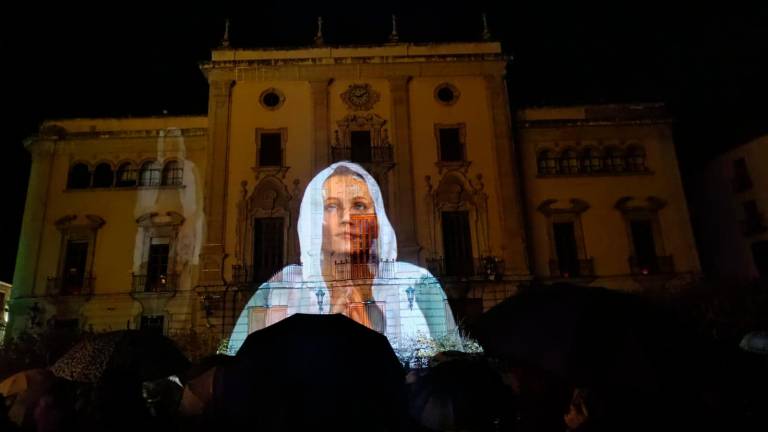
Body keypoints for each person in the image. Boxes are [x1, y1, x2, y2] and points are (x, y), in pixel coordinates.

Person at [229, 161, 455, 352]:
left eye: (359, 205)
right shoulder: (278, 290)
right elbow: (236, 362)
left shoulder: (418, 283)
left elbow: (452, 359)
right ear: (315, 221)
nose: (347, 217)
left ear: (377, 222)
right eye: (331, 206)